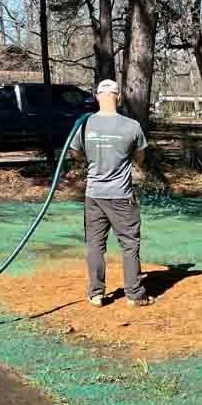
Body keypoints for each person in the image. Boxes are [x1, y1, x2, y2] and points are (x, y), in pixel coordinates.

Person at [70, 79, 150, 308]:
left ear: (97, 97)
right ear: (119, 97)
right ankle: (134, 294)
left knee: (95, 244)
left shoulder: (84, 125)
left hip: (94, 194)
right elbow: (140, 158)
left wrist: (91, 159)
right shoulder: (131, 126)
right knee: (129, 244)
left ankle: (96, 294)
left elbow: (75, 154)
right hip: (121, 196)